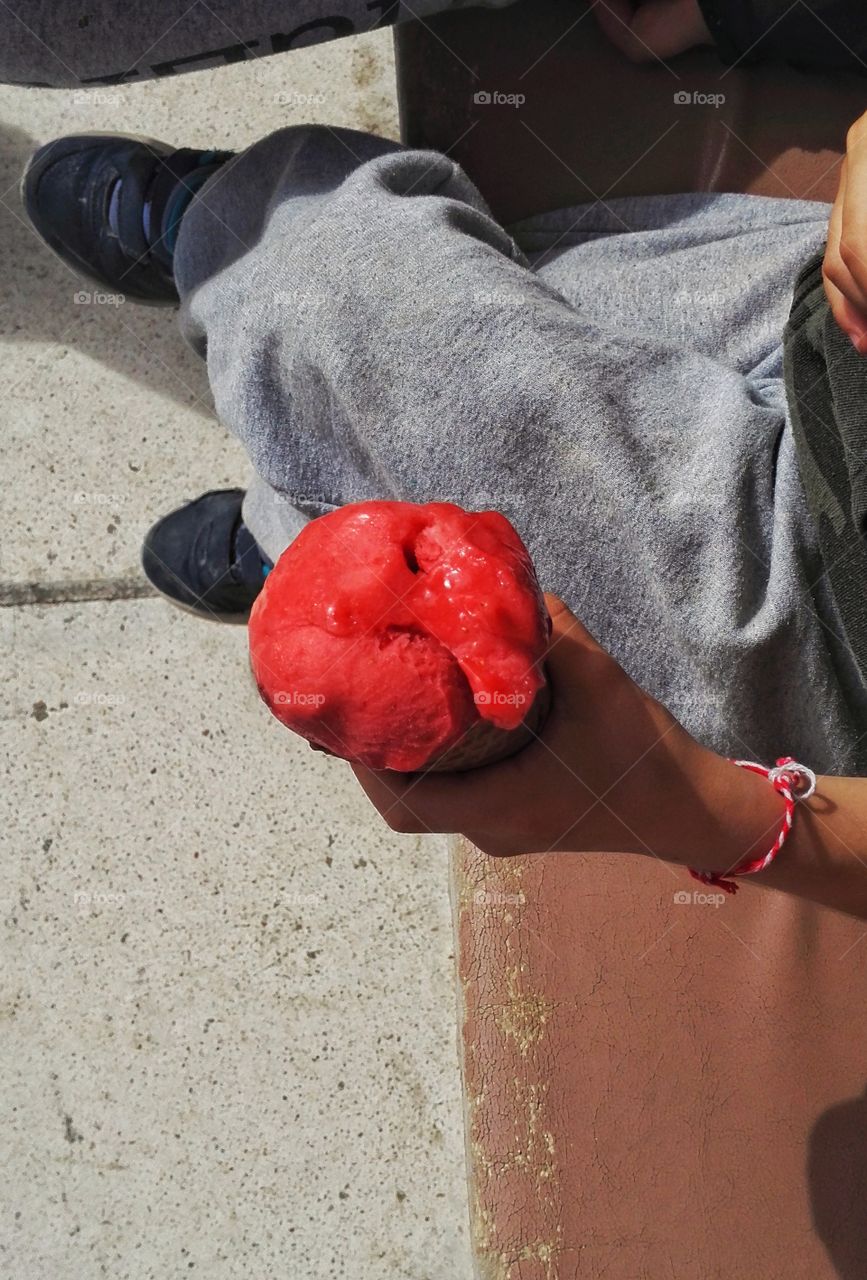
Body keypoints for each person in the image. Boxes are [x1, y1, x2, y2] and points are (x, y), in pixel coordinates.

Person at [18, 0, 867, 919]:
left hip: (824, 611)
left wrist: (708, 811)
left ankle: (291, 480)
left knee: (342, 300)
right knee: (430, 339)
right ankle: (300, 481)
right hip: (823, 337)